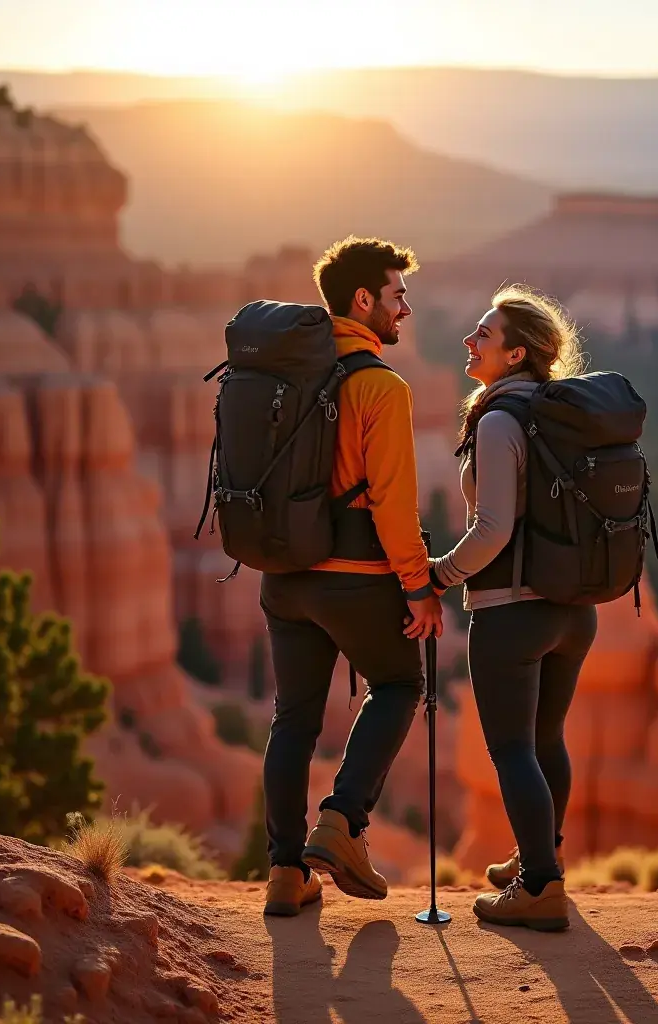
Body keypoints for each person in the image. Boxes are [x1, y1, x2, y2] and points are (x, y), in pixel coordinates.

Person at [261, 237, 443, 917]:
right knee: (399, 684)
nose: (407, 308)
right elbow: (394, 505)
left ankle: (286, 873)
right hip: (356, 577)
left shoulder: (286, 375)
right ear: (363, 301)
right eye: (398, 295)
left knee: (292, 720)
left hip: (285, 576)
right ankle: (341, 822)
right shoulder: (379, 386)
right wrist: (419, 588)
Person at [430, 285, 597, 932]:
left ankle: (540, 887)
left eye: (484, 335)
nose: (471, 342)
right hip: (573, 611)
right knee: (545, 739)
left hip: (513, 612)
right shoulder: (561, 413)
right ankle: (540, 855)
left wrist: (440, 574)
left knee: (510, 748)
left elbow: (494, 528)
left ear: (517, 353)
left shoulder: (501, 421)